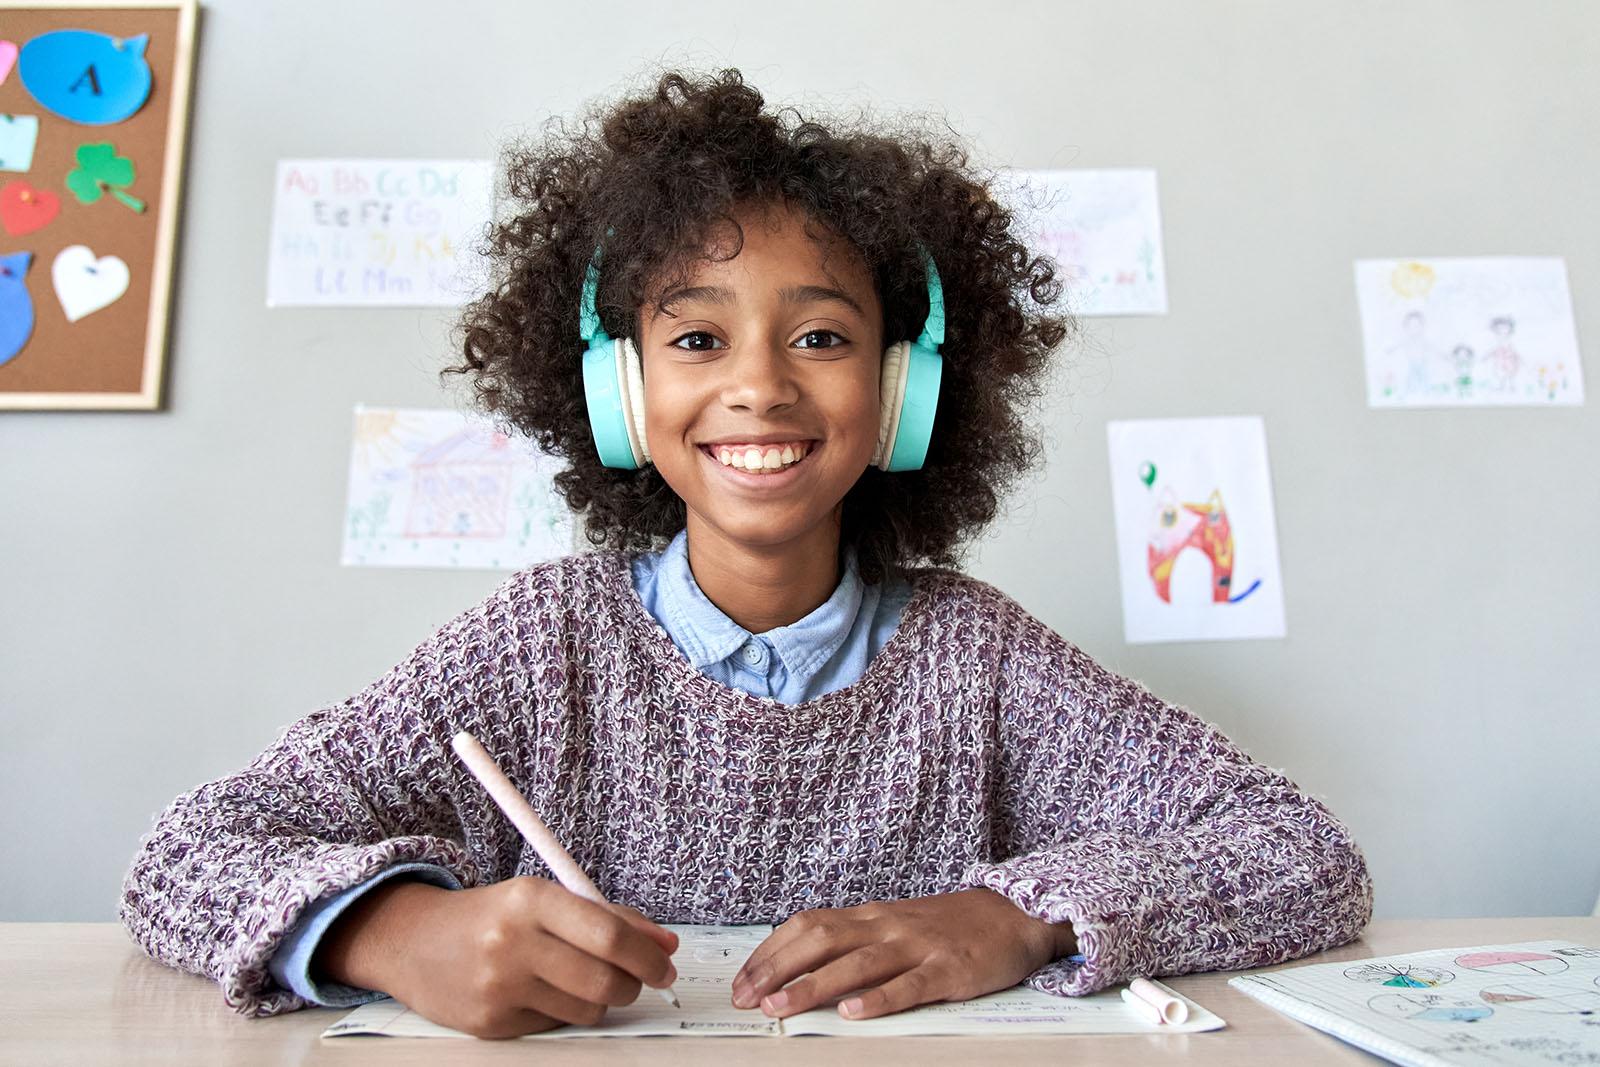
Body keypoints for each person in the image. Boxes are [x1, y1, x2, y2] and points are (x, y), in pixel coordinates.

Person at [120, 68, 1372, 1040]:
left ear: (904, 394)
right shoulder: (538, 645)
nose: (761, 386)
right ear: (618, 392)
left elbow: (1301, 852)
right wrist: (389, 933)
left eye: (822, 337)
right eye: (699, 340)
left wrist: (1015, 915)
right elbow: (185, 855)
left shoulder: (975, 657)